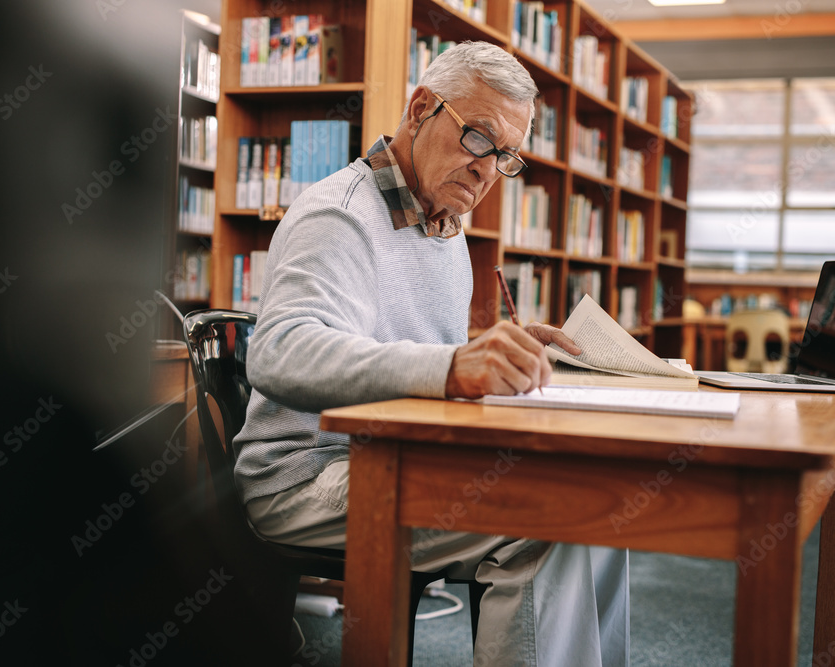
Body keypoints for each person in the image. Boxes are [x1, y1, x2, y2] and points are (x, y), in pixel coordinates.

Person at [234, 41, 629, 666]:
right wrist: (451, 368)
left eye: (505, 157)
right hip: (308, 476)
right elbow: (279, 352)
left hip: (394, 457)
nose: (486, 169)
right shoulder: (341, 217)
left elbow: (406, 354)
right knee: (548, 519)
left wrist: (490, 355)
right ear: (421, 109)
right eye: (479, 139)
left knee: (597, 503)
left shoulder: (440, 225)